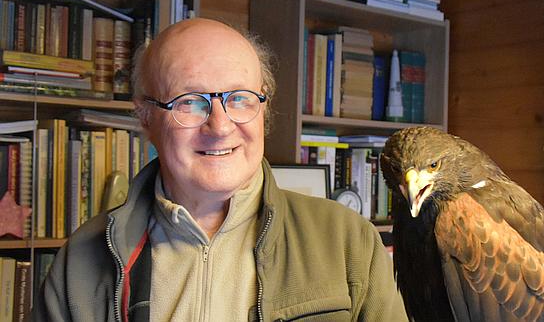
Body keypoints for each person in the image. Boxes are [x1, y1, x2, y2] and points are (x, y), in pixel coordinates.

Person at [33, 18, 407, 321]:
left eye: (239, 99)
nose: (220, 126)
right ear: (146, 117)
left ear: (263, 107)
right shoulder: (82, 258)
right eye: (190, 102)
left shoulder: (348, 242)